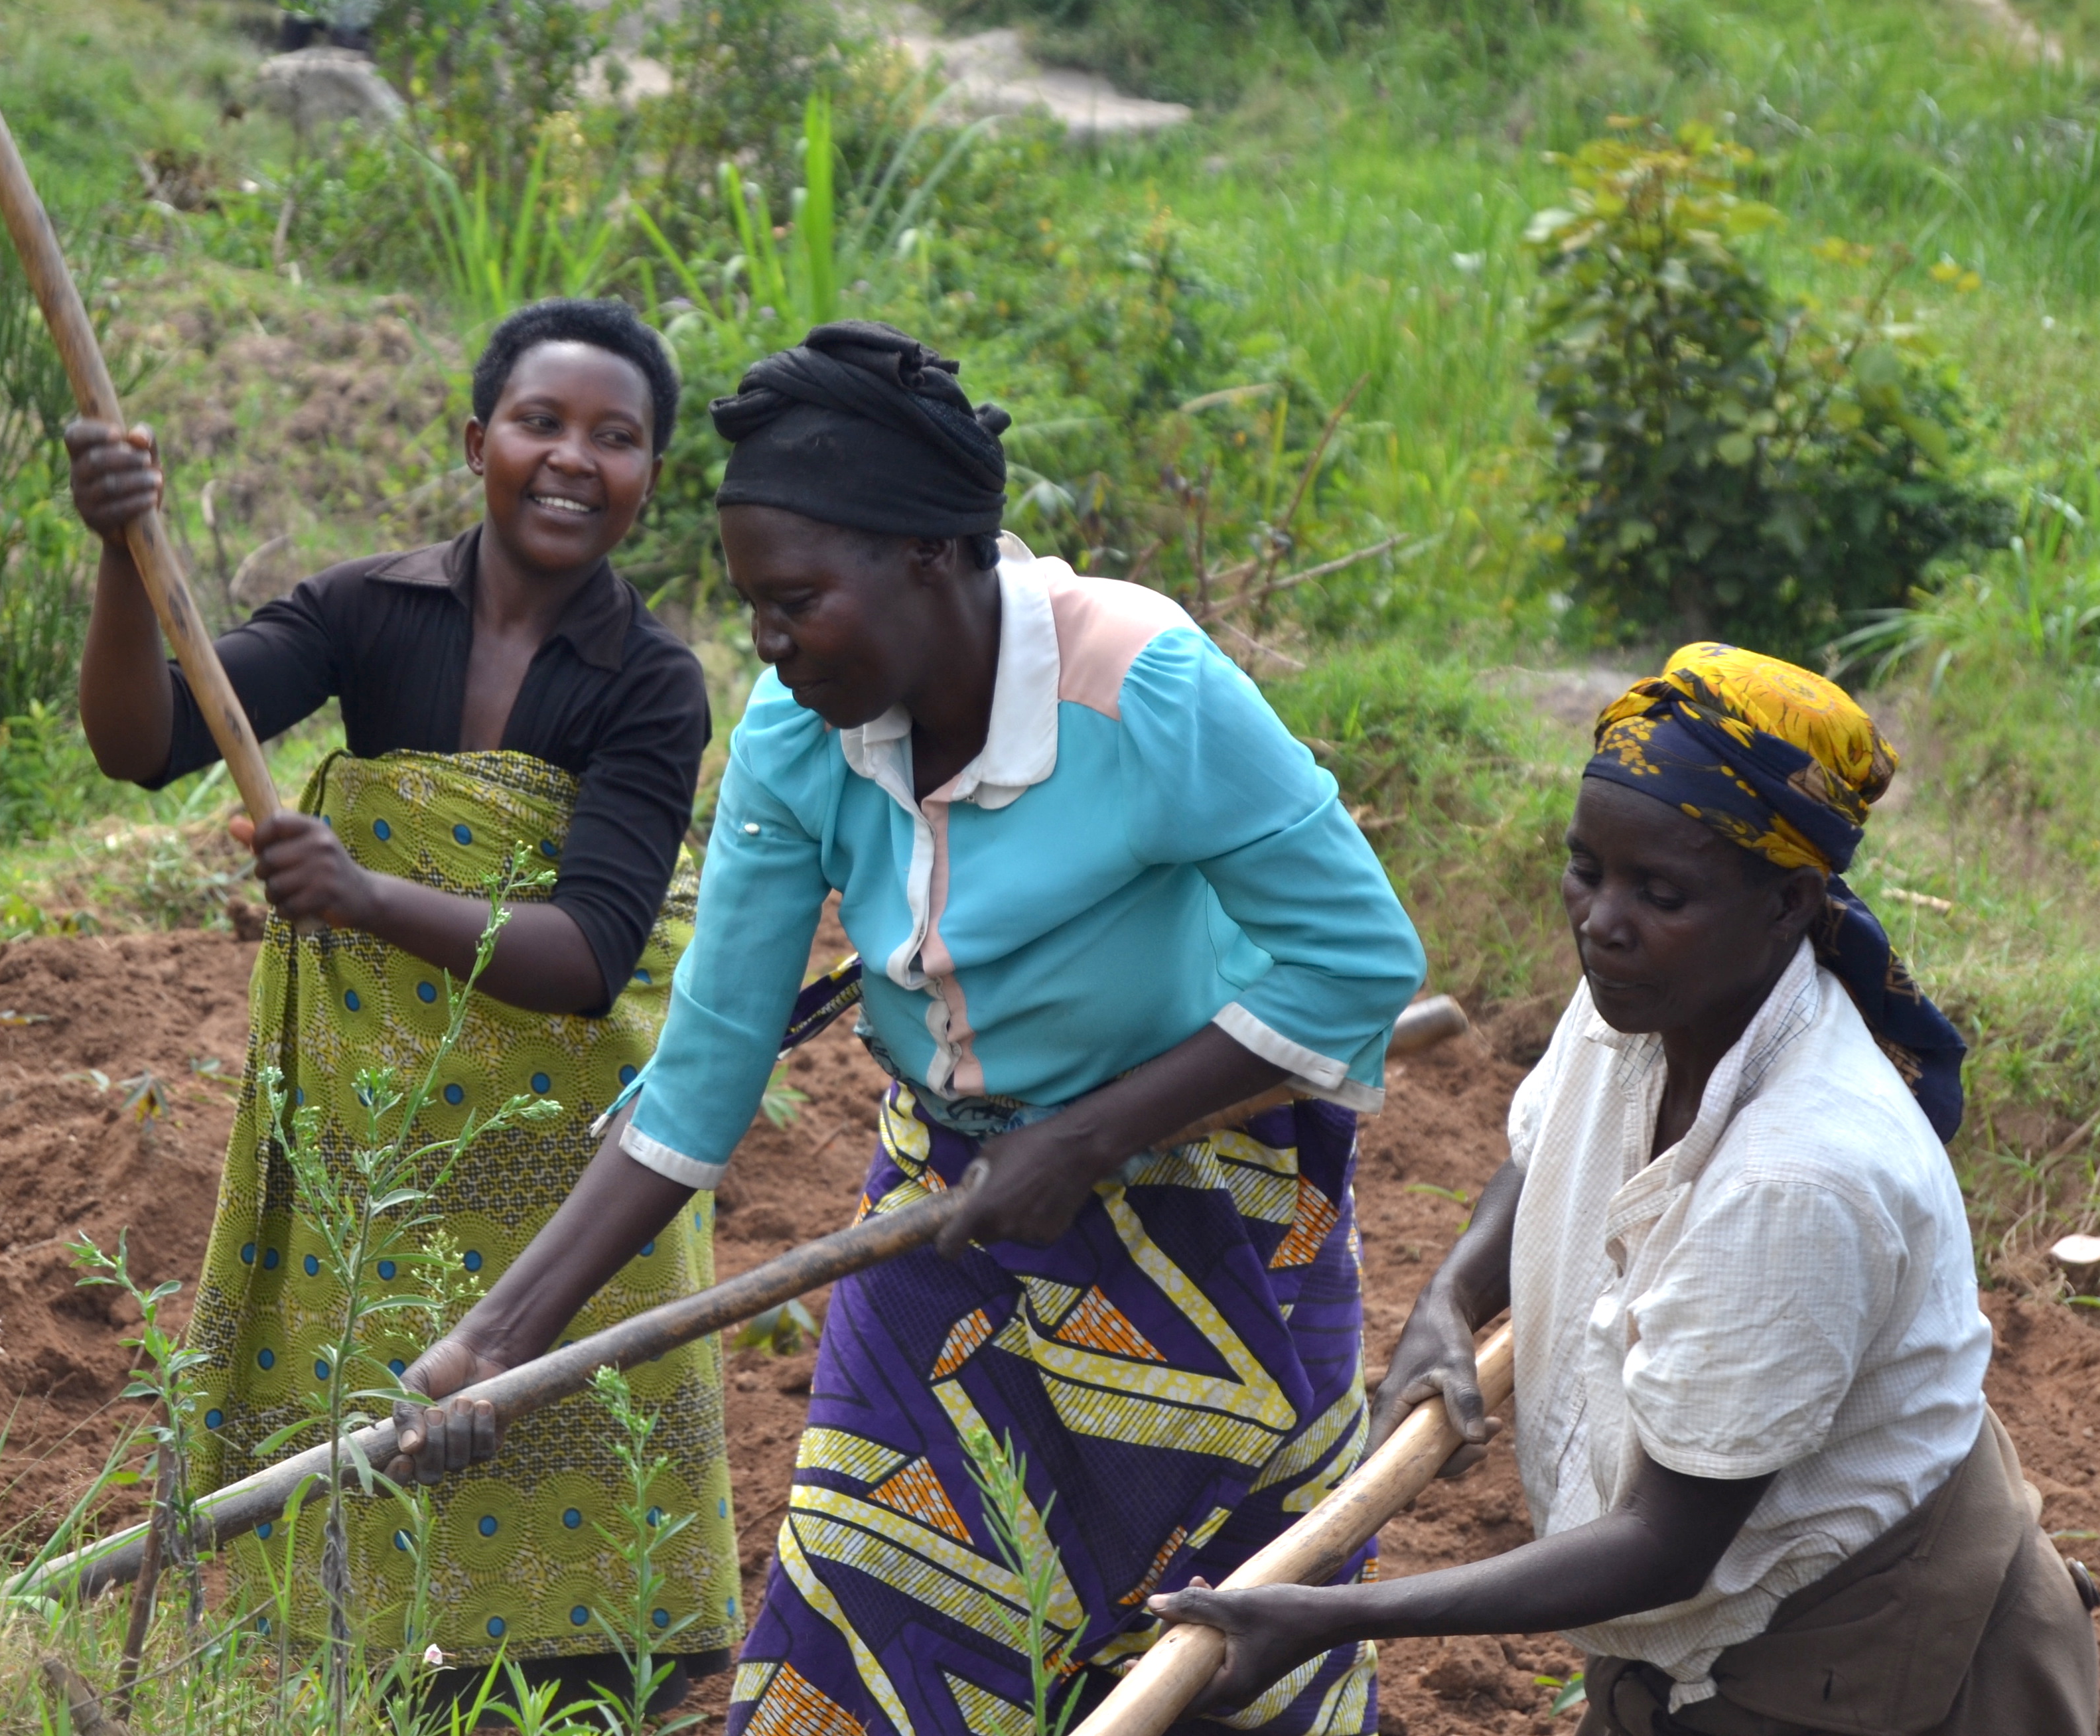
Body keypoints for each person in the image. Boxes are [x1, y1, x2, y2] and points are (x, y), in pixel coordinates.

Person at [387, 321, 1429, 1736]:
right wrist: (492, 1343)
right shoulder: (796, 730)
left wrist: (1092, 1138)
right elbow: (704, 1074)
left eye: (798, 600)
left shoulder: (1141, 684)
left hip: (1214, 1208)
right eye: (752, 603)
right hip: (952, 1214)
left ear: (935, 559)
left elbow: (1357, 960)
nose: (767, 641)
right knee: (863, 1623)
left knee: (1224, 1642)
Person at [1149, 644, 2100, 1735]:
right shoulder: (1646, 993)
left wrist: (1324, 1613)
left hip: (1854, 1650)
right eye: (1586, 870)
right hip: (1709, 1624)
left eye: (1659, 891)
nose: (1600, 918)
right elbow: (1545, 1148)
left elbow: (1664, 1545)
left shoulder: (1800, 1178)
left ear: (1790, 904)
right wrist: (1450, 1301)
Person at [65, 298, 735, 1714]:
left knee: (582, 1472)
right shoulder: (364, 613)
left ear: (650, 479)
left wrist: (365, 896)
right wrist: (123, 557)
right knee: (371, 1436)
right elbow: (148, 741)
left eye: (615, 439)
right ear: (475, 439)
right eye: (541, 424)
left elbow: (589, 954)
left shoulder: (652, 683)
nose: (572, 460)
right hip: (381, 1134)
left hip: (565, 1161)